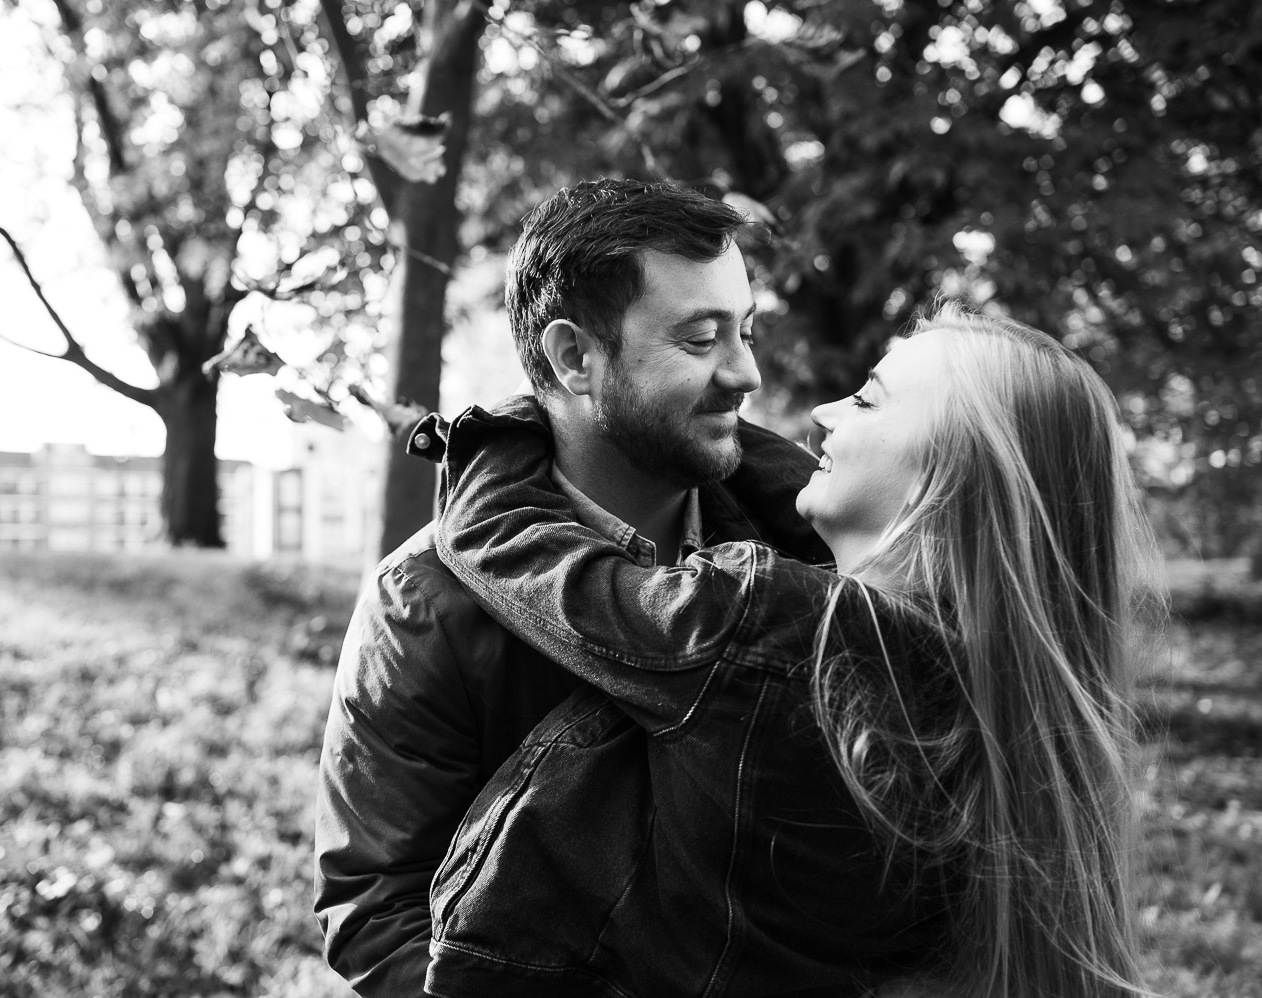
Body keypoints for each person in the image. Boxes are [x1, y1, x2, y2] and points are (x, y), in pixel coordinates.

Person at [418, 301, 1162, 998]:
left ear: (948, 477)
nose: (822, 413)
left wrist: (518, 422)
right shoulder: (1011, 695)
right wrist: (702, 424)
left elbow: (503, 539)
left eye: (866, 399)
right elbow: (799, 492)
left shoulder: (771, 626)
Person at [313, 178, 832, 996]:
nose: (747, 373)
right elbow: (378, 909)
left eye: (748, 331)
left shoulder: (814, 549)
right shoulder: (424, 604)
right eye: (701, 340)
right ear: (574, 357)